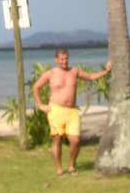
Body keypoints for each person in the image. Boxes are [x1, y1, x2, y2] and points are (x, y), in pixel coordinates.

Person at [31, 48, 111, 176]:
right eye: (61, 59)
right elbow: (36, 87)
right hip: (56, 109)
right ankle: (59, 169)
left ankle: (72, 166)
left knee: (75, 140)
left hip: (72, 111)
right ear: (56, 59)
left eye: (66, 58)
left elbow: (90, 76)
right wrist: (41, 105)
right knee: (57, 139)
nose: (64, 61)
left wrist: (106, 72)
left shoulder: (74, 71)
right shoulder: (50, 74)